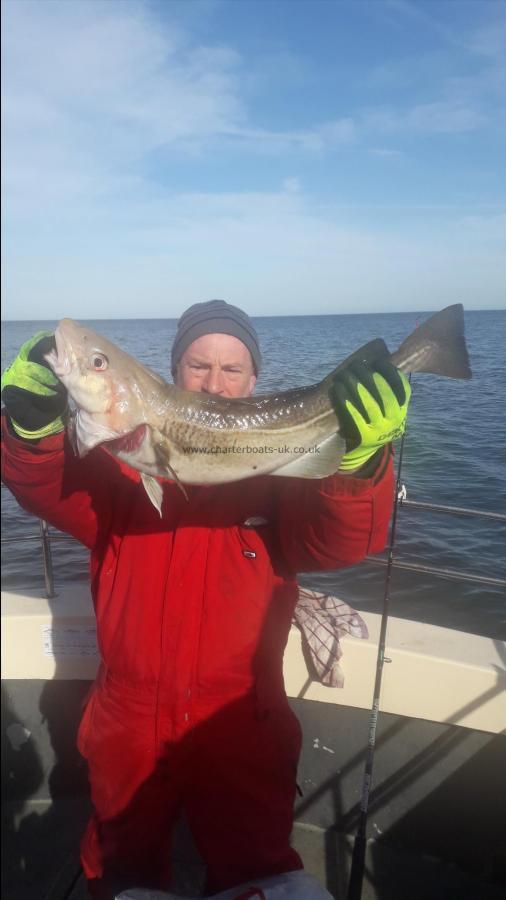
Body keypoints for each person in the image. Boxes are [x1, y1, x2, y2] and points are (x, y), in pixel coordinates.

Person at [1, 299, 411, 899]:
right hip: (127, 719)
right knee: (119, 867)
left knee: (259, 868)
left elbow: (338, 542)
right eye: (198, 365)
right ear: (171, 374)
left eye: (232, 370)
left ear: (253, 383)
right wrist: (29, 430)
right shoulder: (115, 471)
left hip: (242, 719)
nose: (214, 381)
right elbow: (46, 489)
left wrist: (361, 465)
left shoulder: (281, 475)